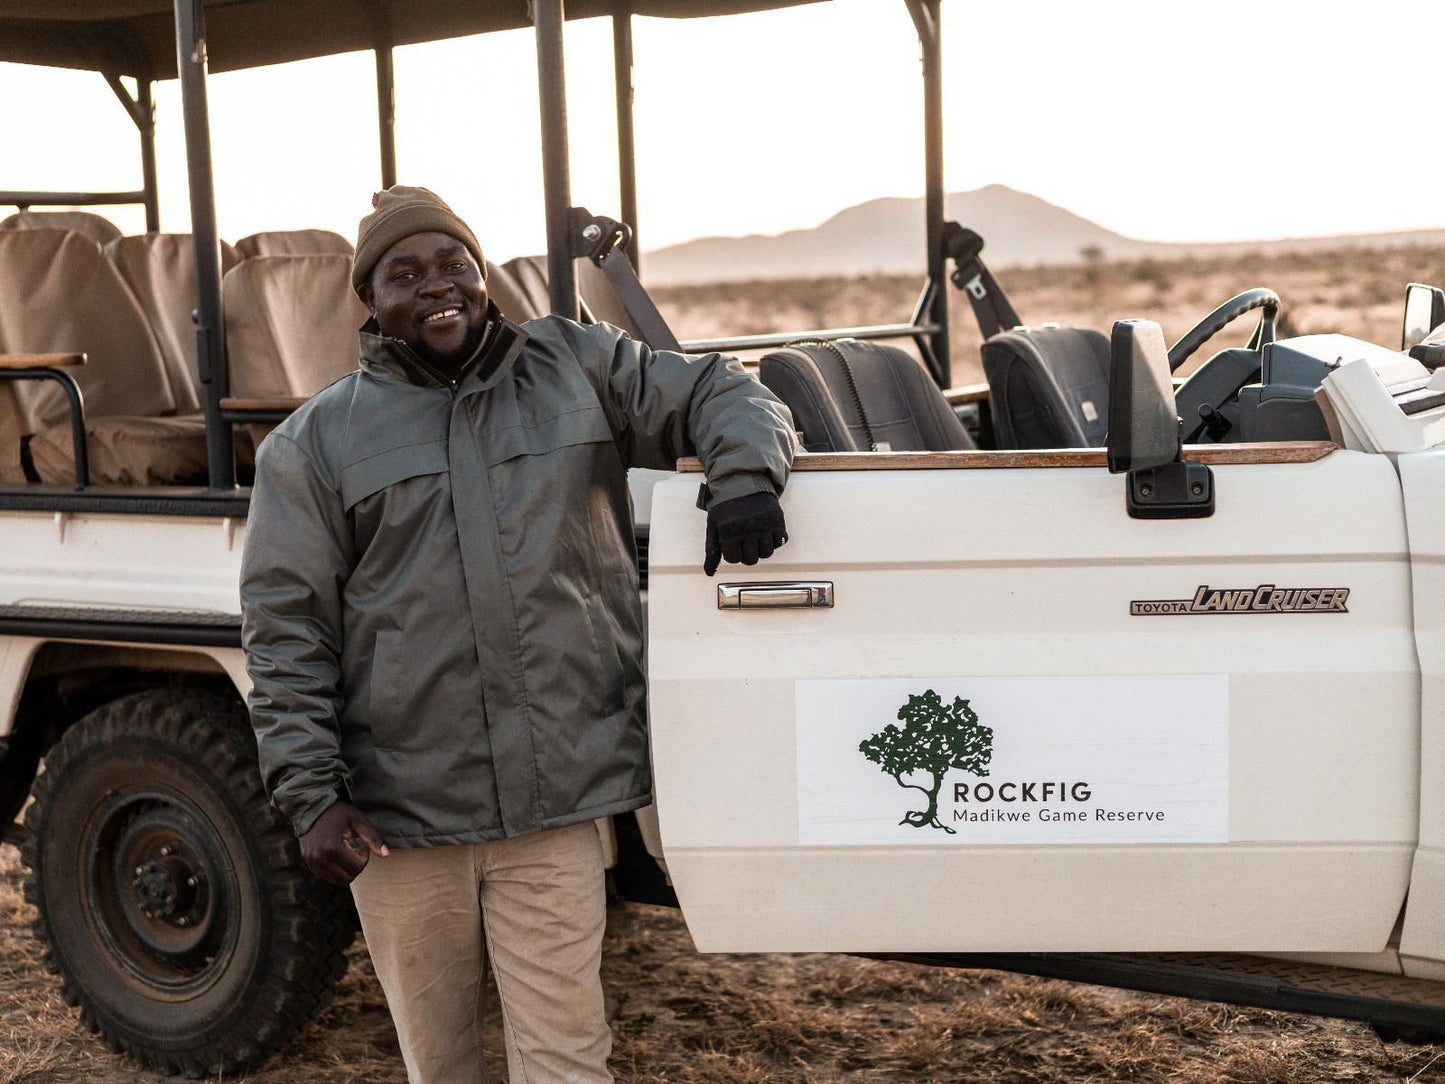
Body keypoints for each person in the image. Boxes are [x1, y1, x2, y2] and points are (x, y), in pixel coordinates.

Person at [239, 186, 795, 1084]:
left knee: (568, 1059)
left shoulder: (572, 364)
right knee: (443, 1063)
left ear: (482, 272)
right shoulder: (315, 443)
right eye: (404, 273)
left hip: (555, 806)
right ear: (369, 299)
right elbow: (286, 632)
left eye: (453, 262)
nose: (436, 286)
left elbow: (722, 389)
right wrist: (311, 793)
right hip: (400, 822)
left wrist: (744, 476)